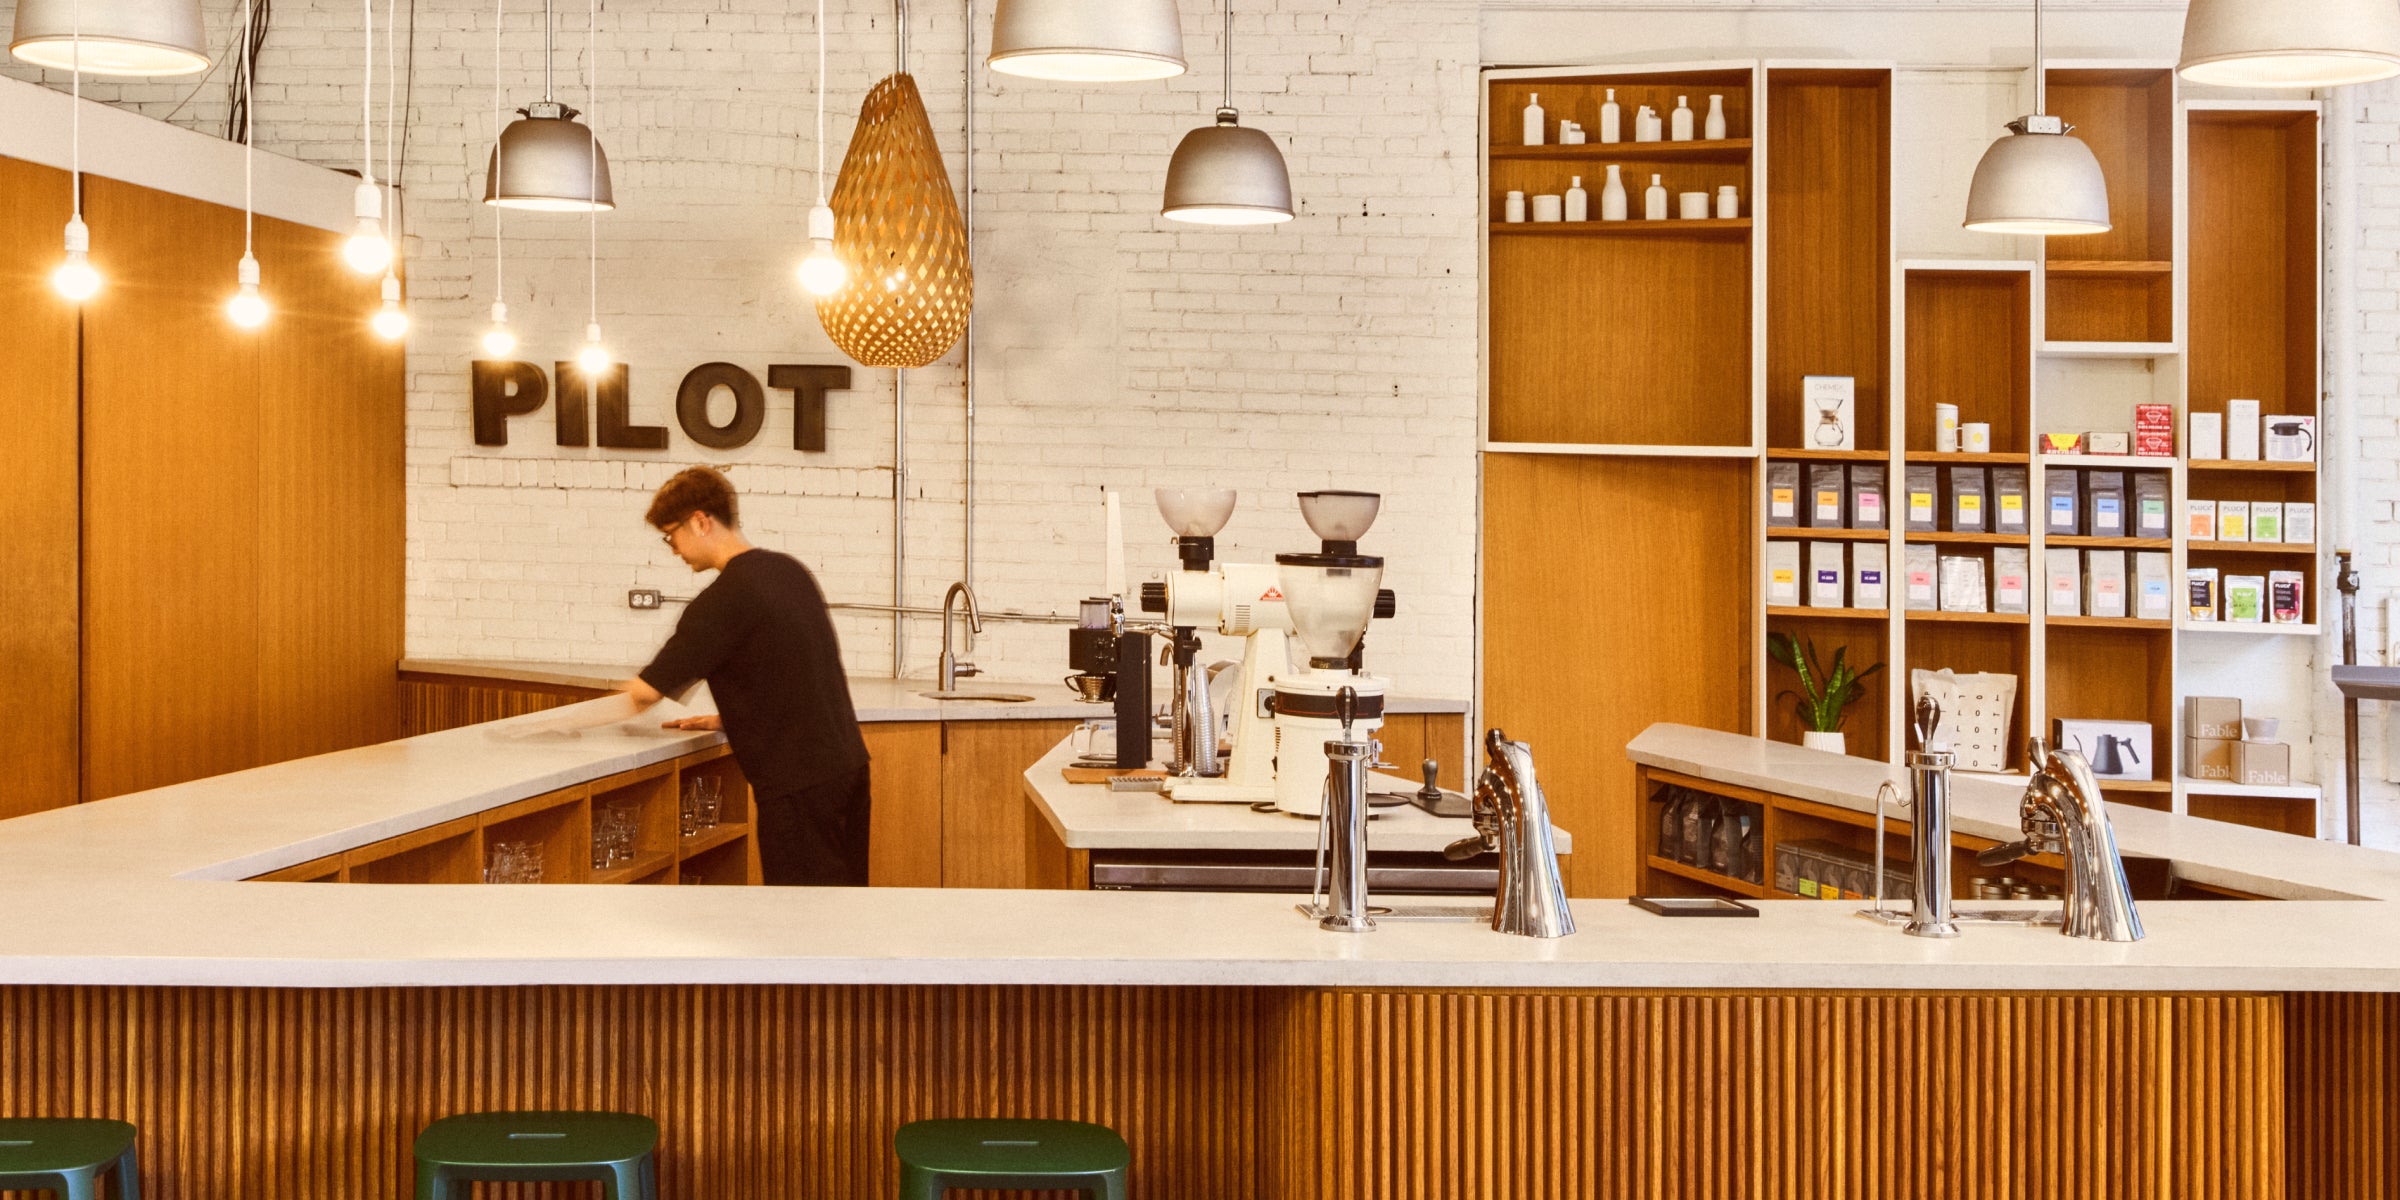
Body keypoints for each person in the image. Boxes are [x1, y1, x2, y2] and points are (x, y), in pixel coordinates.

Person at [619, 466, 872, 886]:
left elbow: (643, 694)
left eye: (671, 536)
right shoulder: (789, 571)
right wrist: (733, 718)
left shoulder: (721, 602)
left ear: (700, 521)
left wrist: (560, 724)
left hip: (798, 787)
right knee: (844, 907)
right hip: (847, 769)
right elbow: (797, 672)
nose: (674, 550)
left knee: (801, 922)